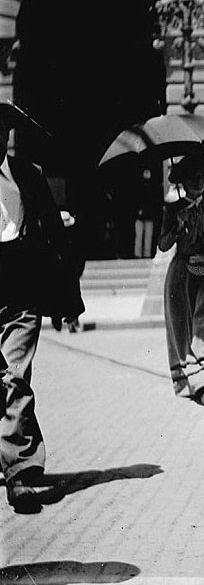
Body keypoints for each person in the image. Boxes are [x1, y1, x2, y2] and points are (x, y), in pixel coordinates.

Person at [0, 102, 83, 511]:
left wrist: (68, 302)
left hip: (21, 292)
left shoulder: (27, 177)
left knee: (15, 378)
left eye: (2, 131)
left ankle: (20, 473)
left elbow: (55, 239)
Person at [158, 153, 204, 410]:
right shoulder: (172, 209)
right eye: (192, 178)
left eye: (202, 177)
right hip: (182, 276)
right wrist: (177, 227)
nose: (198, 182)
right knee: (184, 328)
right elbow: (163, 245)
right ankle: (193, 383)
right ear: (183, 181)